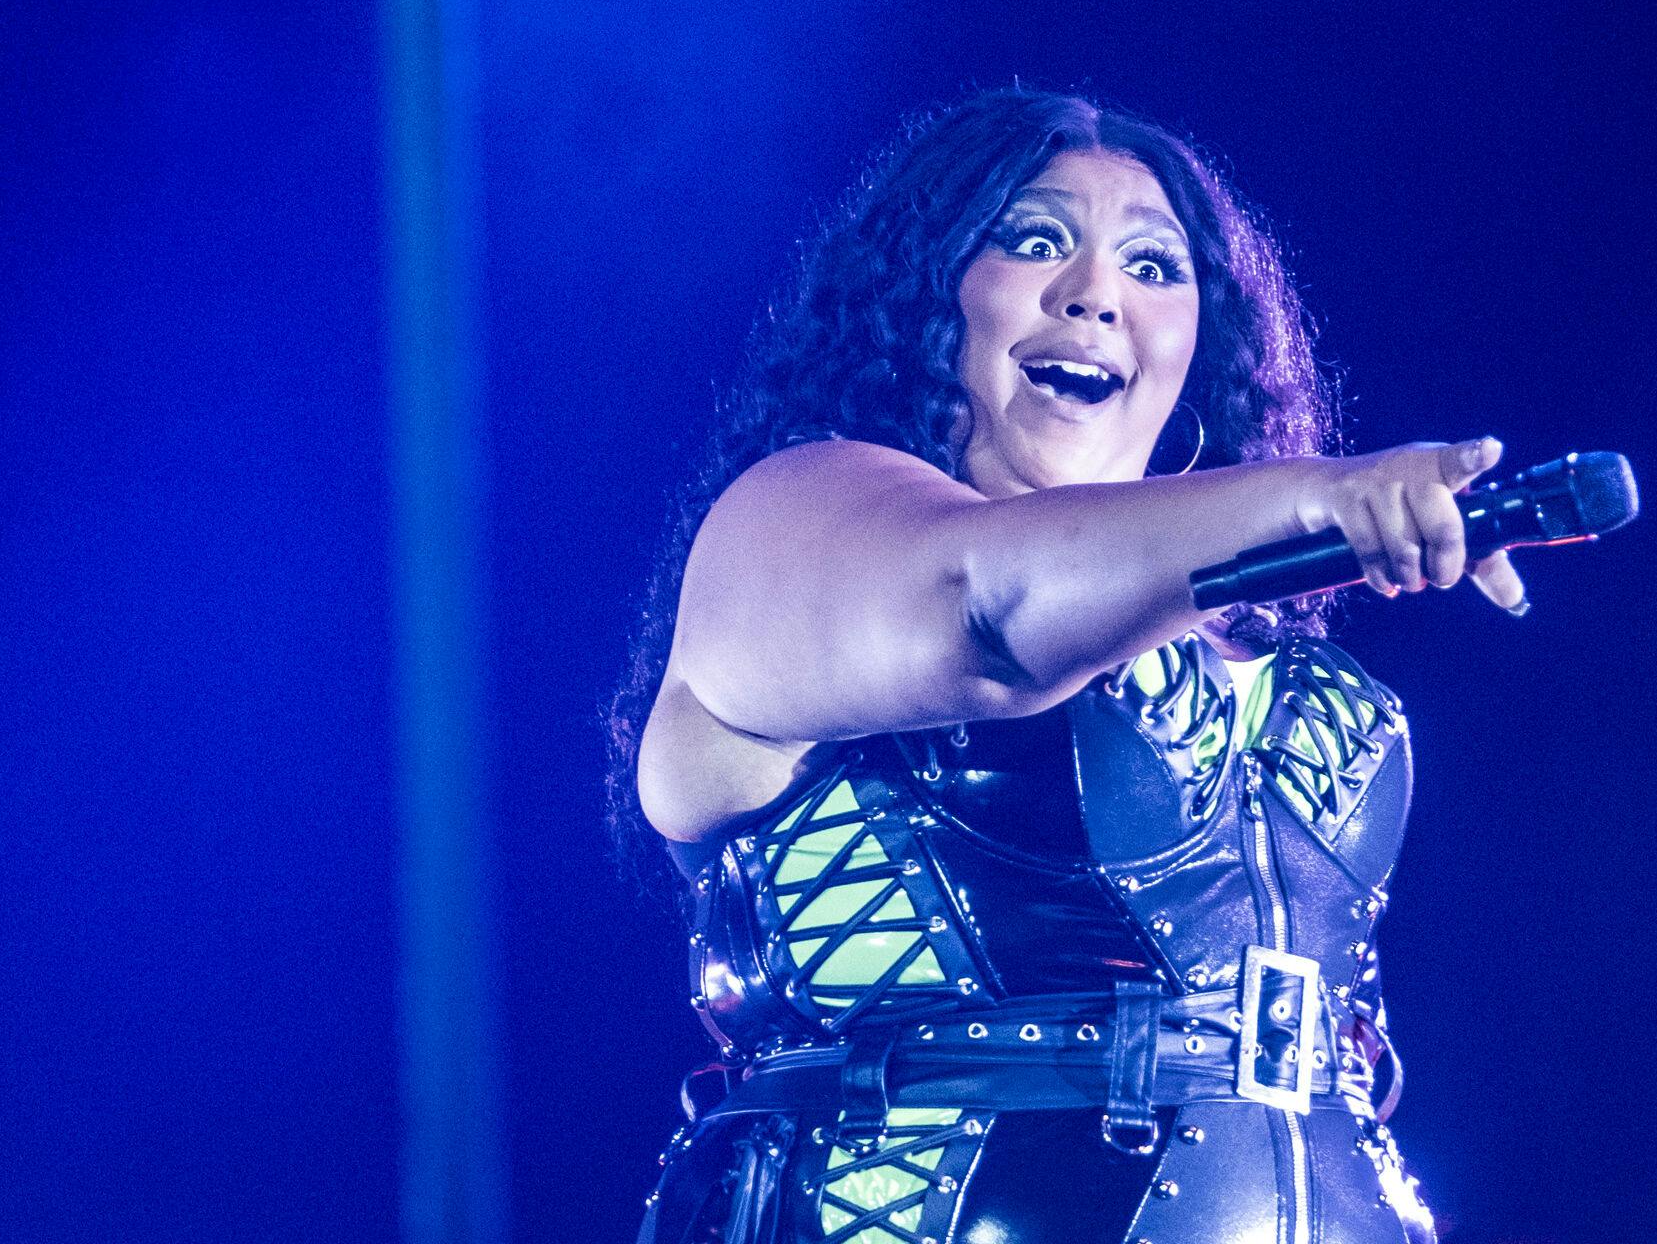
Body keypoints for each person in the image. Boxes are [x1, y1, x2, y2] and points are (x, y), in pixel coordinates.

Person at [608, 86, 1525, 1244]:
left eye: (1155, 266)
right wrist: (1313, 496)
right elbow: (987, 612)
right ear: (928, 294)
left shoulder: (1294, 680)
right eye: (1033, 241)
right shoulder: (788, 523)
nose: (1095, 293)